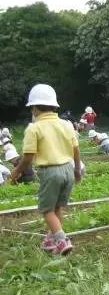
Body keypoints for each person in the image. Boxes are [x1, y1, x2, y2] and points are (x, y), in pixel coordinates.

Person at [10, 84, 82, 255]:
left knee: (46, 209)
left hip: (50, 171)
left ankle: (62, 240)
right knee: (58, 207)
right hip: (68, 169)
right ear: (54, 106)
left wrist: (17, 171)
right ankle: (50, 240)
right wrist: (77, 170)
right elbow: (76, 150)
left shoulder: (34, 128)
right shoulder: (66, 124)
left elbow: (28, 156)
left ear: (34, 108)